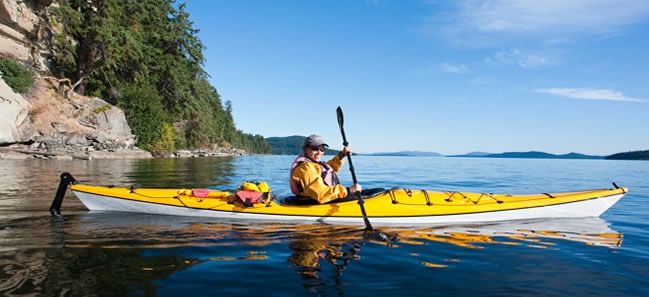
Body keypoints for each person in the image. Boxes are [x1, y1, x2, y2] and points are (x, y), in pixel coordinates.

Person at [289, 134, 362, 204]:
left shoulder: (313, 164)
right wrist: (348, 190)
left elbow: (328, 171)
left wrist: (341, 155)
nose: (319, 152)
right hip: (318, 201)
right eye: (315, 148)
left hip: (327, 198)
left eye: (322, 149)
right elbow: (321, 193)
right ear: (305, 149)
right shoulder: (305, 168)